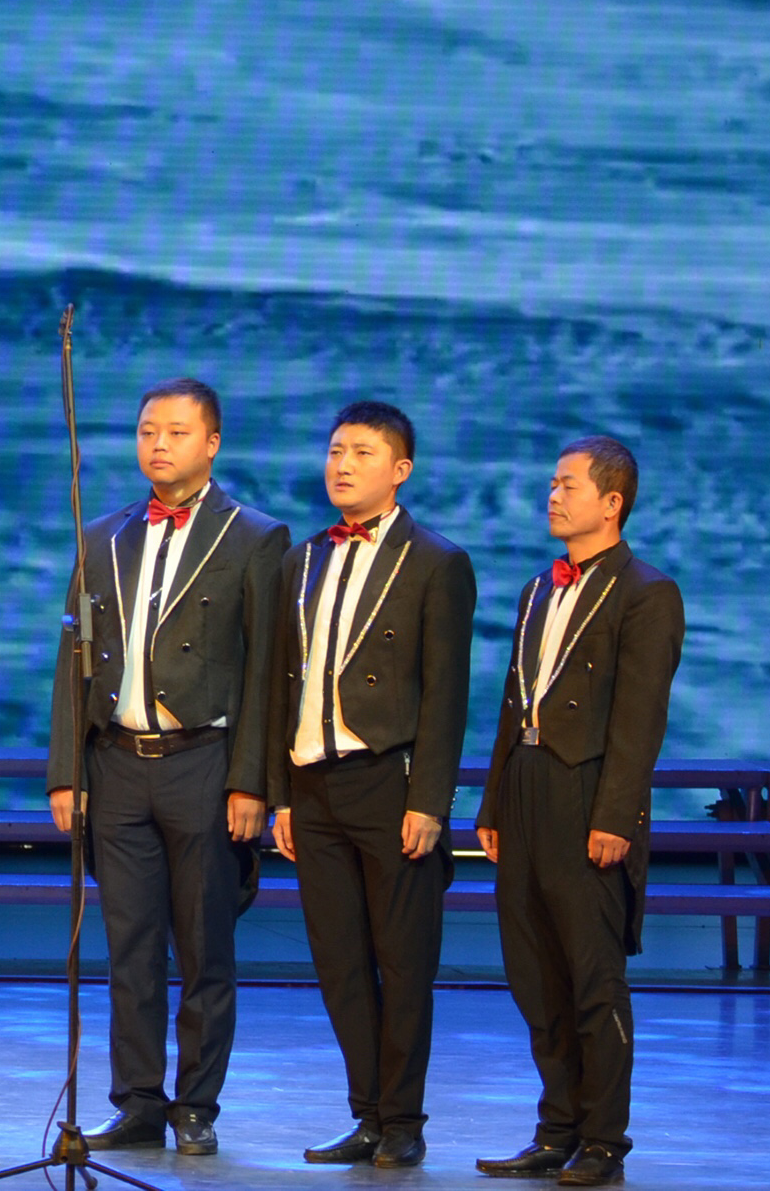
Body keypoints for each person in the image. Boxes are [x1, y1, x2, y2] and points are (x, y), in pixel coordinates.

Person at [44, 377, 290, 1156]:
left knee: (205, 947)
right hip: (117, 764)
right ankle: (139, 1102)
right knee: (131, 948)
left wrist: (252, 781)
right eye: (149, 430)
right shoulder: (103, 535)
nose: (159, 444)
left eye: (177, 432)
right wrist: (66, 770)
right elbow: (73, 659)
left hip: (205, 764)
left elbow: (266, 670)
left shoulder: (255, 538)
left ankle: (197, 1105)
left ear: (211, 443)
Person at [267, 400, 476, 1171]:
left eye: (361, 451)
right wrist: (280, 793)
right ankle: (366, 1113)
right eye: (334, 450)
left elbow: (446, 694)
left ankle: (404, 1120)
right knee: (340, 962)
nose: (342, 464)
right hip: (313, 786)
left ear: (400, 469)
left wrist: (430, 801)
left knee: (403, 962)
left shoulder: (435, 562)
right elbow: (278, 684)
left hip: (390, 784)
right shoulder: (302, 560)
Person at [471, 437, 684, 1189]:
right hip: (526, 784)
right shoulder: (539, 588)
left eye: (568, 485)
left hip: (586, 791)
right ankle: (556, 1127)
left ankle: (603, 1138)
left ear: (612, 502)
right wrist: (494, 801)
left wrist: (614, 817)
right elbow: (512, 702)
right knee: (534, 972)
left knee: (592, 976)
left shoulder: (646, 592)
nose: (553, 496)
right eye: (553, 483)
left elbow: (639, 719)